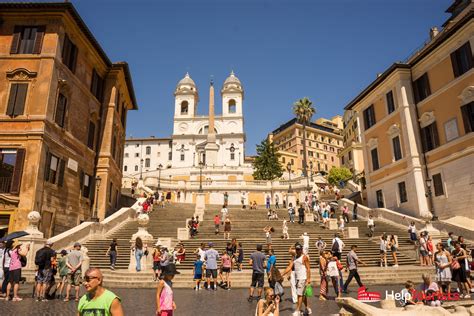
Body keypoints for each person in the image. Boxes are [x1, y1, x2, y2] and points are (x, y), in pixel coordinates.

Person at [282, 243, 311, 316]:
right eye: (297, 249)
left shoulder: (304, 257)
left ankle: (298, 310)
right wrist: (282, 274)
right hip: (297, 278)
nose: (298, 251)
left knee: (299, 294)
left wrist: (308, 279)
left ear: (301, 249)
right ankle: (307, 308)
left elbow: (308, 269)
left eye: (299, 249)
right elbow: (289, 267)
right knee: (303, 295)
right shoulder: (294, 257)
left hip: (303, 278)